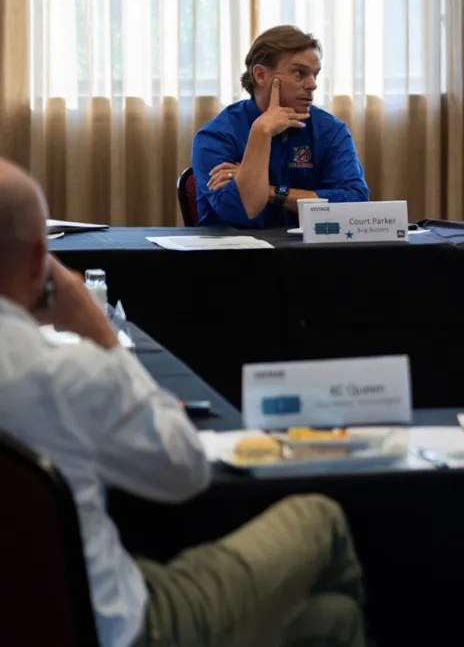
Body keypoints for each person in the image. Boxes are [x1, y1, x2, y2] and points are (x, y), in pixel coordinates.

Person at [0, 158, 366, 647]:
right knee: (321, 520)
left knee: (330, 620)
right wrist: (100, 334)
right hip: (116, 627)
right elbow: (185, 472)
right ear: (38, 260)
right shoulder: (67, 375)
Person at [192, 25, 370, 227]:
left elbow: (355, 203)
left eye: (315, 75)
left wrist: (271, 191)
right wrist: (261, 132)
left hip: (306, 253)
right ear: (260, 75)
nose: (312, 85)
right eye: (299, 73)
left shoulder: (330, 131)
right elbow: (242, 212)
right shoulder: (215, 136)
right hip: (234, 254)